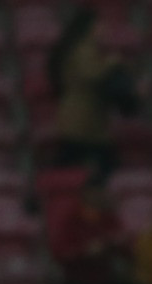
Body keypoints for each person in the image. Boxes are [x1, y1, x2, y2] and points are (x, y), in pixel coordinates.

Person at [48, 6, 135, 176]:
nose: (103, 29)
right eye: (99, 25)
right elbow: (91, 74)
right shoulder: (82, 49)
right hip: (80, 119)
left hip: (89, 120)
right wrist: (113, 61)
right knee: (80, 161)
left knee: (74, 161)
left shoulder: (88, 49)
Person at [51, 175, 131, 284]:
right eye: (95, 193)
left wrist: (114, 244)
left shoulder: (109, 218)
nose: (98, 197)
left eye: (101, 193)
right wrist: (85, 251)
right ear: (85, 194)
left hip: (105, 280)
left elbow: (127, 249)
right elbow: (60, 253)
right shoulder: (71, 218)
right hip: (77, 281)